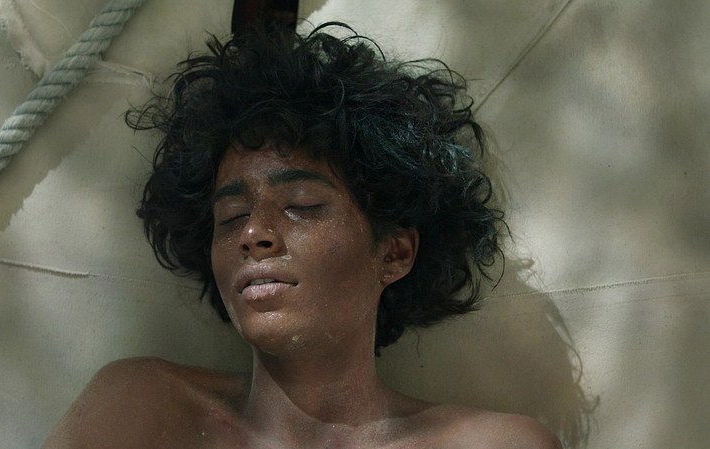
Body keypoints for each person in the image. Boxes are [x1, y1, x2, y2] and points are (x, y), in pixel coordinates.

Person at [43, 22, 562, 449]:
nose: (253, 233)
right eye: (231, 216)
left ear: (395, 252)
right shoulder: (141, 408)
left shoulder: (489, 444)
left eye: (302, 206)